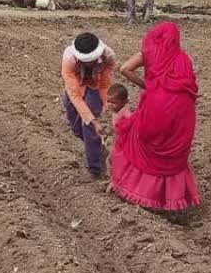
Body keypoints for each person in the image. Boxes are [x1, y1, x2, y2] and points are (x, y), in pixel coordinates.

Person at [109, 22, 201, 211]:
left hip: (156, 106)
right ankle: (171, 200)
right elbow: (190, 87)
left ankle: (140, 192)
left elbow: (125, 68)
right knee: (172, 150)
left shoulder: (149, 52)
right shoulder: (183, 58)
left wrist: (148, 85)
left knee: (142, 143)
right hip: (182, 111)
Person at [62, 32, 117, 178]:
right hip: (76, 86)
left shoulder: (108, 56)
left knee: (90, 129)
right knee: (77, 128)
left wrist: (106, 107)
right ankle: (97, 149)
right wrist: (92, 119)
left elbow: (105, 83)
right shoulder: (69, 58)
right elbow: (74, 95)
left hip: (95, 86)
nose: (88, 63)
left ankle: (95, 169)